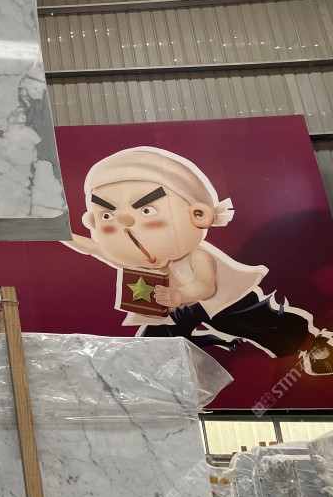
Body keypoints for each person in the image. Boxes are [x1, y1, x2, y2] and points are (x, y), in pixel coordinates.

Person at [63, 146, 332, 376]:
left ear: (198, 214)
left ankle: (311, 344)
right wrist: (58, 233)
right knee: (158, 336)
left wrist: (180, 294)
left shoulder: (198, 255)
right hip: (178, 306)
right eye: (107, 216)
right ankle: (146, 371)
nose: (124, 222)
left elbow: (205, 285)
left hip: (225, 303)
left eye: (146, 210)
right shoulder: (142, 259)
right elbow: (95, 249)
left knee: (261, 325)